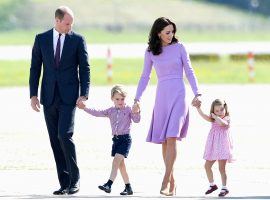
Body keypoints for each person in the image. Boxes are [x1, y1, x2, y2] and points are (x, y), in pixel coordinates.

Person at [132, 17, 201, 196]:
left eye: (172, 32)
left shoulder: (180, 48)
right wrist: (137, 99)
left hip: (179, 94)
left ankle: (165, 179)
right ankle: (172, 181)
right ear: (158, 33)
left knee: (172, 136)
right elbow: (144, 77)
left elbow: (189, 71)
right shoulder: (150, 52)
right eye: (168, 32)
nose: (171, 35)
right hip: (162, 96)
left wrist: (197, 93)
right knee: (164, 140)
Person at [29, 6, 90, 195]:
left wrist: (84, 94)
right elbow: (35, 68)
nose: (70, 26)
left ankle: (75, 179)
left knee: (64, 135)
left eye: (72, 23)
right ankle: (64, 183)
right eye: (67, 23)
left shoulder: (78, 40)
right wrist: (33, 95)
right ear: (57, 21)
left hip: (69, 97)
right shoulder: (41, 39)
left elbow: (85, 68)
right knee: (55, 140)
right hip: (48, 96)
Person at [77, 85, 140, 195]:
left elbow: (137, 120)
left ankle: (109, 184)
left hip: (125, 140)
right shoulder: (110, 111)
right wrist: (85, 108)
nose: (120, 101)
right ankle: (128, 187)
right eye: (117, 99)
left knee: (116, 161)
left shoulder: (129, 109)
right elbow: (97, 112)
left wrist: (137, 111)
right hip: (116, 140)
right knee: (121, 165)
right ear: (112, 99)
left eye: (122, 99)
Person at [195, 99, 233, 197]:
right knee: (207, 166)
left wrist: (216, 116)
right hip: (213, 146)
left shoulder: (226, 118)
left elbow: (222, 124)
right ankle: (212, 185)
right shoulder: (213, 119)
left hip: (223, 147)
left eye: (221, 109)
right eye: (217, 111)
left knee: (222, 168)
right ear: (213, 111)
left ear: (225, 108)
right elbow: (204, 116)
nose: (220, 112)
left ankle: (224, 188)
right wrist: (198, 108)